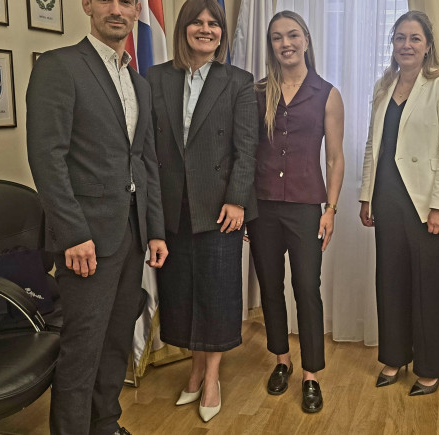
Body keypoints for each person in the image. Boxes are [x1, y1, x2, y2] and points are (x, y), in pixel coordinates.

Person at [26, 0, 168, 433]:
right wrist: (72, 233)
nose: (116, 10)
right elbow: (47, 158)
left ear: (137, 11)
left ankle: (105, 424)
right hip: (85, 240)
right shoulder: (59, 67)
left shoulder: (139, 82)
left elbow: (144, 161)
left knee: (115, 341)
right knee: (83, 349)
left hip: (132, 233)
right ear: (88, 5)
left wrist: (155, 230)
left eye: (127, 2)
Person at [146, 0, 257, 423]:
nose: (206, 29)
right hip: (172, 208)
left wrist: (237, 199)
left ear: (222, 32)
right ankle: (193, 369)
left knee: (216, 293)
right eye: (197, 22)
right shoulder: (156, 77)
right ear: (183, 28)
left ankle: (211, 378)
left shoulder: (239, 81)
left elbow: (246, 148)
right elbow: (149, 146)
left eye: (214, 23)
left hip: (219, 208)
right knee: (183, 294)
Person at [359, 11, 439, 396]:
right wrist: (366, 195)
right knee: (390, 281)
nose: (406, 45)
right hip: (386, 198)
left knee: (429, 287)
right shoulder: (383, 85)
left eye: (415, 38)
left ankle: (432, 366)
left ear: (427, 45)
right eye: (400, 38)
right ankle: (394, 356)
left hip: (426, 203)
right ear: (392, 44)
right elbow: (373, 145)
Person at [247, 10, 344, 414]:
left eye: (291, 35)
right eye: (276, 37)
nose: (285, 43)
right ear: (270, 45)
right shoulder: (256, 92)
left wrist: (330, 209)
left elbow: (335, 158)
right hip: (262, 207)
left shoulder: (327, 93)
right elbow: (246, 153)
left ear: (305, 39)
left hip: (306, 208)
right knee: (270, 287)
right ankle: (282, 361)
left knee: (306, 288)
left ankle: (311, 374)